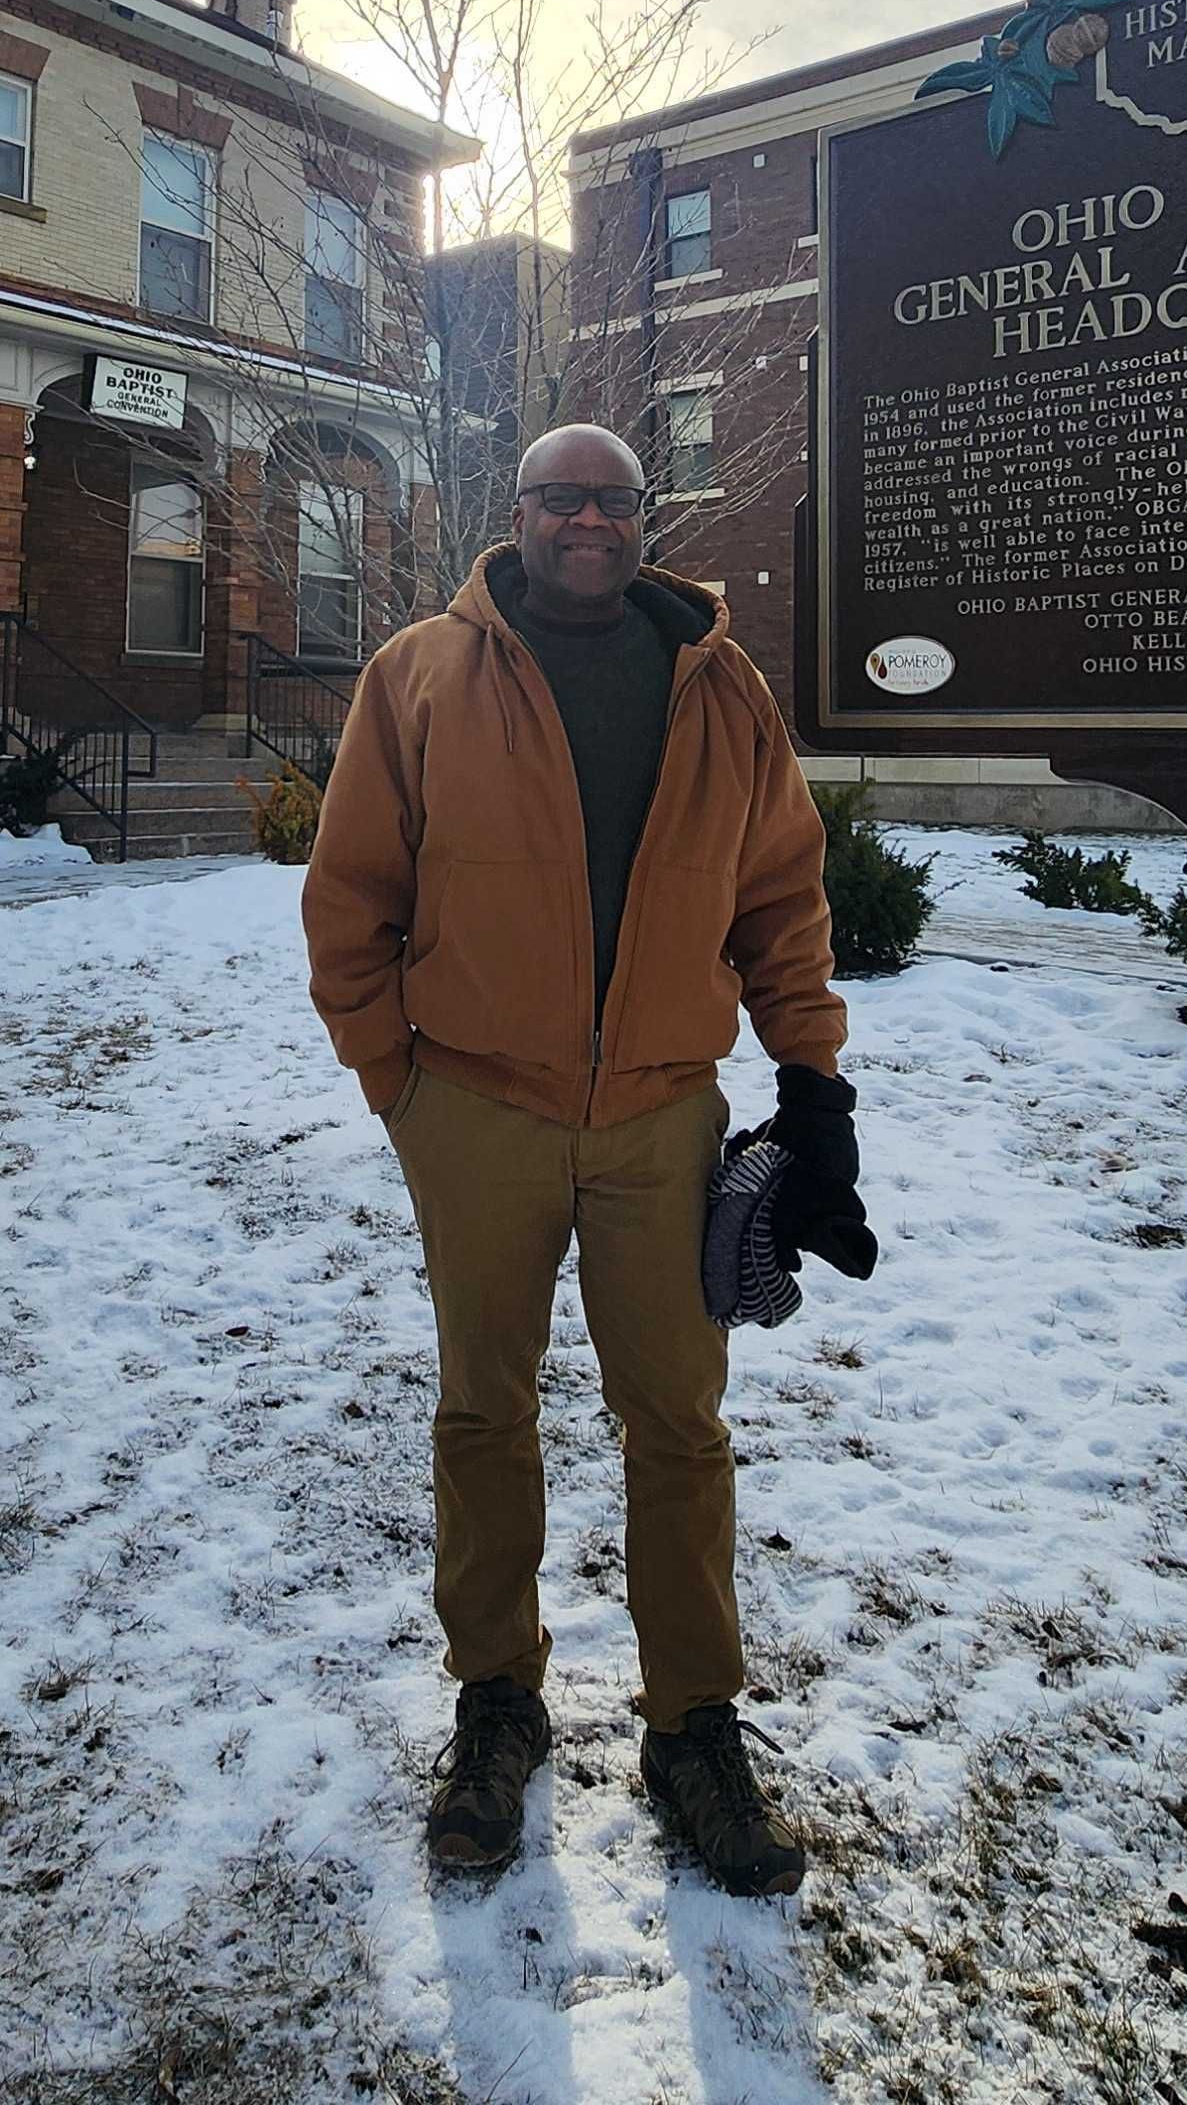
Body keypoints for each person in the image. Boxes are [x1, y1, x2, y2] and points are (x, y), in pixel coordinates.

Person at [303, 423, 874, 1893]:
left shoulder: (721, 688)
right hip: (475, 1110)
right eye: (560, 498)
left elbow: (781, 901)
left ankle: (693, 1723)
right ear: (520, 513)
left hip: (661, 1117)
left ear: (643, 519)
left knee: (679, 1426)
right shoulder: (422, 675)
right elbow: (351, 894)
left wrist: (814, 1091)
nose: (587, 521)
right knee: (484, 1410)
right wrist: (400, 1085)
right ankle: (497, 1699)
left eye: (613, 501)